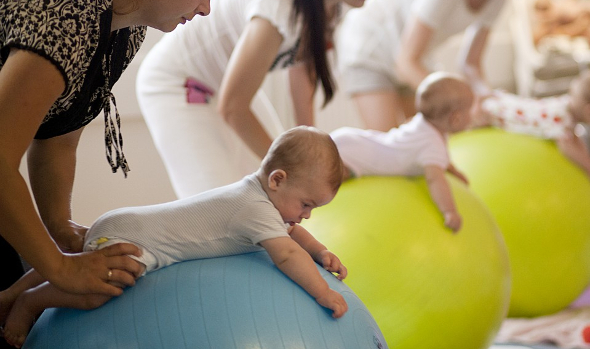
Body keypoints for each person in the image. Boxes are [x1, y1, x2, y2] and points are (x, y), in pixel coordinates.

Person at [0, 0, 241, 317]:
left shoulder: (125, 28)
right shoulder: (70, 9)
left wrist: (60, 228)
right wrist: (61, 268)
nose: (206, 9)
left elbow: (56, 136)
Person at [0, 126, 348, 347]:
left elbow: (293, 233)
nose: (306, 214)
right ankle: (31, 302)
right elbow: (286, 254)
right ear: (277, 179)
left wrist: (320, 252)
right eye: (306, 204)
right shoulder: (254, 210)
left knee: (77, 261)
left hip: (123, 223)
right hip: (137, 243)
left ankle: (13, 292)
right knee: (103, 288)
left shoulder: (257, 198)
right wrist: (323, 292)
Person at [136, 0, 393, 199]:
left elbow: (303, 72)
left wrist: (314, 154)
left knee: (273, 191)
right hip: (179, 82)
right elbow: (234, 107)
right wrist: (302, 171)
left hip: (225, 86)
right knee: (220, 206)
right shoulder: (279, 2)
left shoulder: (331, 1)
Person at [335, 0, 545, 131]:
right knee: (388, 147)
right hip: (369, 49)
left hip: (410, 58)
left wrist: (486, 99)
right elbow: (406, 62)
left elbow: (471, 64)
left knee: (423, 140)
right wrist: (459, 103)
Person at [331, 72, 476, 232]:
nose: (473, 115)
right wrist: (449, 211)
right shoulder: (431, 143)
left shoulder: (422, 124)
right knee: (332, 177)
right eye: (470, 111)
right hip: (352, 155)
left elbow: (438, 158)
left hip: (356, 142)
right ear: (455, 118)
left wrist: (453, 170)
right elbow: (435, 178)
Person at [474, 70, 590, 185]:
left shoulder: (566, 106)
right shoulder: (562, 117)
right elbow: (567, 147)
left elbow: (575, 139)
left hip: (503, 104)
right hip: (495, 114)